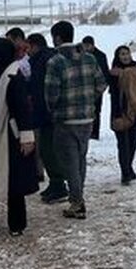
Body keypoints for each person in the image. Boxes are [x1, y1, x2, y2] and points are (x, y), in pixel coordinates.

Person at [0, 38, 39, 235]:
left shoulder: (12, 75)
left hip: (11, 136)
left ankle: (16, 224)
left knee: (14, 182)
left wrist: (27, 137)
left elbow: (22, 109)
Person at [44, 21, 107, 219]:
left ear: (57, 38)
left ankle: (77, 202)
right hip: (87, 119)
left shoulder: (55, 62)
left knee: (69, 162)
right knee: (80, 159)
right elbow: (101, 84)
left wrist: (55, 108)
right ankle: (77, 196)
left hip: (65, 120)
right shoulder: (89, 58)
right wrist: (88, 101)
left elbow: (51, 94)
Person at [27, 32, 67, 203]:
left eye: (29, 47)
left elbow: (44, 89)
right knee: (46, 149)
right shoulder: (43, 59)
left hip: (47, 114)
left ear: (35, 46)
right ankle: (55, 182)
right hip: (45, 113)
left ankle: (59, 185)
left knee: (48, 150)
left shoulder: (44, 61)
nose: (27, 51)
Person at [109, 45, 136, 184]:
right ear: (117, 56)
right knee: (123, 144)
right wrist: (116, 113)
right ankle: (125, 172)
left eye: (127, 53)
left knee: (134, 141)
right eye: (122, 54)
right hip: (121, 111)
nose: (125, 56)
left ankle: (128, 167)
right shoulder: (114, 73)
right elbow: (113, 95)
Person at [81, 36, 112, 140]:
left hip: (96, 89)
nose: (86, 47)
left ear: (93, 45)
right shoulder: (81, 55)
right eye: (84, 45)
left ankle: (94, 133)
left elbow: (105, 73)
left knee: (96, 111)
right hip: (84, 89)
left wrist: (100, 89)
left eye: (88, 45)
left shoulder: (100, 56)